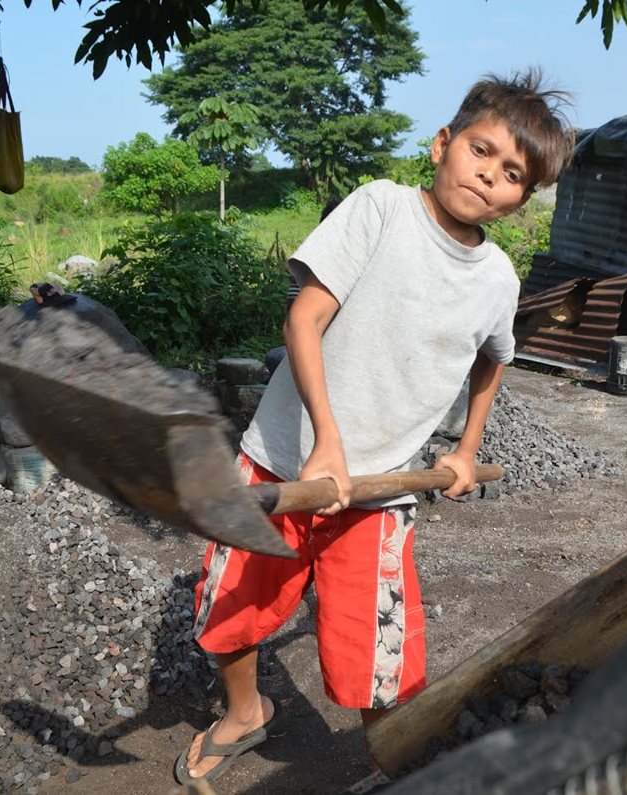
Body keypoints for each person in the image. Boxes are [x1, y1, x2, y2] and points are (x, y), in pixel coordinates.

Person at [175, 68, 573, 785]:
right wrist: (325, 440)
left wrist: (467, 446)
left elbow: (494, 361)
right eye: (480, 151)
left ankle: (394, 764)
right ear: (441, 143)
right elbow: (305, 317)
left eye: (512, 173)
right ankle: (244, 712)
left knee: (376, 650)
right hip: (282, 463)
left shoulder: (498, 280)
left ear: (522, 198)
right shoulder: (382, 209)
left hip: (379, 489)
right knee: (232, 606)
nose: (489, 177)